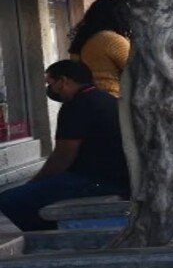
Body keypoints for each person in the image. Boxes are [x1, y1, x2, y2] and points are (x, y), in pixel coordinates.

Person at [0, 60, 129, 231]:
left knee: (10, 200)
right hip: (115, 179)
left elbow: (62, 157)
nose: (49, 89)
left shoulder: (76, 105)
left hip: (96, 181)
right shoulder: (105, 99)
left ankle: (48, 237)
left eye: (50, 83)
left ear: (64, 81)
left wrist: (34, 183)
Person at [68, 0, 131, 97]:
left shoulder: (82, 40)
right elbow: (135, 70)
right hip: (113, 99)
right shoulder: (112, 40)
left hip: (86, 98)